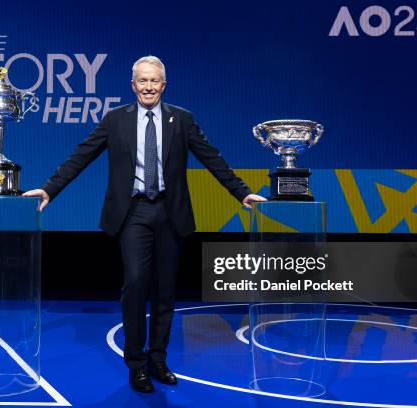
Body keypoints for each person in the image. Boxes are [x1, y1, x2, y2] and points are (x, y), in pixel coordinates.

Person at [22, 55, 266, 393]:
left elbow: (212, 157)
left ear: (163, 85)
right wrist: (50, 189)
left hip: (170, 212)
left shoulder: (181, 119)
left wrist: (241, 192)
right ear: (133, 85)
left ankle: (158, 360)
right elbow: (81, 155)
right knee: (136, 284)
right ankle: (136, 364)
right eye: (142, 81)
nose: (148, 87)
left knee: (165, 292)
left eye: (154, 81)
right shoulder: (115, 120)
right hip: (133, 213)